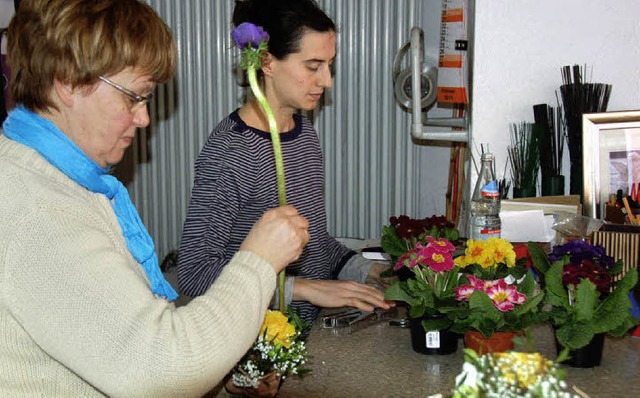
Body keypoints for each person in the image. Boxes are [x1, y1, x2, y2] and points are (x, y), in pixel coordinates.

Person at [0, 0, 309, 396]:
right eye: (134, 97)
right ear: (69, 82)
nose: (144, 118)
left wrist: (218, 368)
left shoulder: (61, 179)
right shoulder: (39, 211)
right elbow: (159, 368)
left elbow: (118, 338)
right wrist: (259, 260)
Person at [178, 0, 393, 328]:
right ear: (266, 62)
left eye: (329, 64)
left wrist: (371, 271)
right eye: (313, 66)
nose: (327, 80)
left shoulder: (303, 132)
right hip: (257, 336)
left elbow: (316, 245)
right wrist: (305, 289)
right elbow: (195, 273)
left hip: (305, 330)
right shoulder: (232, 150)